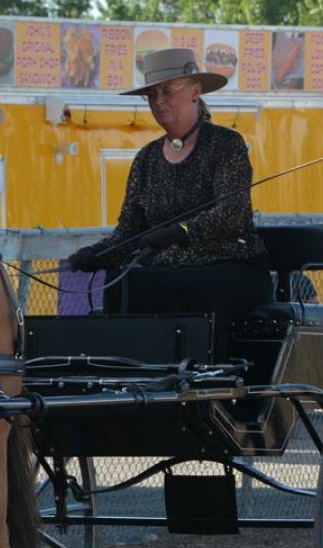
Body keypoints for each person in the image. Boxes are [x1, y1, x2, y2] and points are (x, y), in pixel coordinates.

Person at [65, 47, 269, 360]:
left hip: (228, 266)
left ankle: (207, 375)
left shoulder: (226, 145)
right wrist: (98, 254)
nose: (158, 101)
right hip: (170, 271)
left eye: (167, 91)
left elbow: (233, 212)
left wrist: (180, 231)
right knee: (122, 286)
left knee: (183, 287)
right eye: (151, 94)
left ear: (195, 92)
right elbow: (130, 231)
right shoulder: (146, 159)